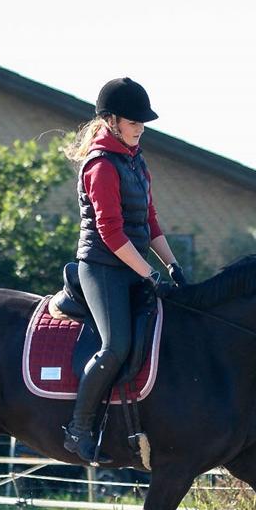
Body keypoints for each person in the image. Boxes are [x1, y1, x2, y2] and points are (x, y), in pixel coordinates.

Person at [61, 77, 185, 464]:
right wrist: (149, 274)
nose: (141, 129)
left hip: (133, 265)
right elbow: (111, 233)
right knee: (115, 346)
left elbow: (149, 221)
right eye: (134, 123)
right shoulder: (100, 165)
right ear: (112, 121)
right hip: (101, 267)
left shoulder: (136, 160)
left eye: (142, 123)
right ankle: (78, 429)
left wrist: (173, 265)